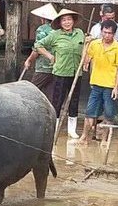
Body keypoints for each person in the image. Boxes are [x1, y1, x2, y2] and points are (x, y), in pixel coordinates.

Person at [36, 8, 86, 138]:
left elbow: (86, 46)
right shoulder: (55, 35)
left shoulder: (80, 33)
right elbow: (38, 45)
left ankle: (72, 130)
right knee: (57, 101)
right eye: (64, 20)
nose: (67, 22)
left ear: (73, 21)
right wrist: (50, 56)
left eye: (69, 19)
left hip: (76, 73)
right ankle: (55, 127)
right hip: (60, 72)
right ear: (60, 22)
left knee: (74, 101)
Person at [80, 19, 118, 143]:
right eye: (105, 32)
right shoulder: (95, 44)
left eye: (110, 33)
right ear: (101, 32)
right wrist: (86, 44)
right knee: (90, 112)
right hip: (96, 83)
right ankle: (84, 137)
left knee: (109, 114)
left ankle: (105, 140)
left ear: (114, 34)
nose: (107, 35)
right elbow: (86, 59)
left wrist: (116, 87)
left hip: (110, 85)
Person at [24, 3, 59, 102]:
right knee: (50, 93)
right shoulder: (59, 29)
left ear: (43, 18)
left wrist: (29, 60)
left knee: (33, 90)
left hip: (44, 66)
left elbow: (37, 49)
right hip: (57, 66)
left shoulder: (42, 29)